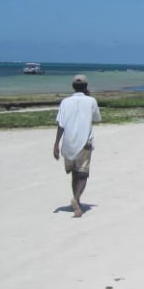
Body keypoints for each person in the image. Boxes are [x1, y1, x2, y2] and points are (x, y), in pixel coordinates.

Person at [53, 74, 101, 217]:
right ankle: (76, 199)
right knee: (83, 174)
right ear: (86, 87)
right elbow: (97, 118)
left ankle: (77, 203)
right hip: (85, 142)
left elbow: (60, 124)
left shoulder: (65, 102)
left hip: (68, 142)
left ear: (73, 87)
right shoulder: (91, 101)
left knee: (74, 173)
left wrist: (56, 144)